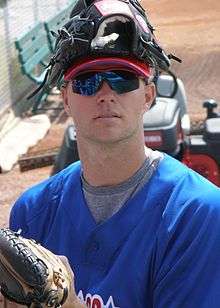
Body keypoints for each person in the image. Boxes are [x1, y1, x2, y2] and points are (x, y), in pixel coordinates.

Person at [5, 0, 220, 307]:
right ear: (66, 99)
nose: (106, 94)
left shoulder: (197, 213)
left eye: (122, 78)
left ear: (147, 95)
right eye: (87, 81)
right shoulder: (33, 211)